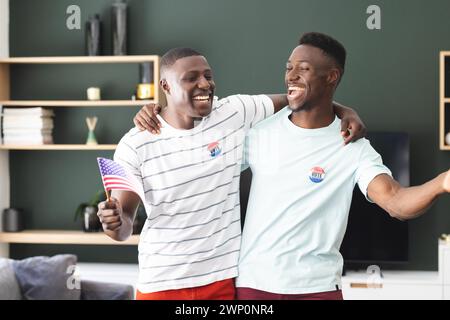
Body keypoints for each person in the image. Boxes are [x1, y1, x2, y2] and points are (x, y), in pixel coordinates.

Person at [97, 47, 365, 300]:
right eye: (191, 78)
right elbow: (124, 227)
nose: (205, 84)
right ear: (165, 86)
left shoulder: (233, 112)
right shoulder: (135, 144)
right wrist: (114, 223)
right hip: (160, 283)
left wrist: (345, 110)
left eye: (208, 76)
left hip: (221, 281)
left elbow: (300, 97)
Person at [232, 32, 450, 300]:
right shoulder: (259, 131)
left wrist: (442, 182)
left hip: (319, 289)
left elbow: (396, 202)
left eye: (304, 69)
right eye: (289, 68)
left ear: (331, 76)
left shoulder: (353, 146)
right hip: (254, 286)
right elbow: (207, 165)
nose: (291, 76)